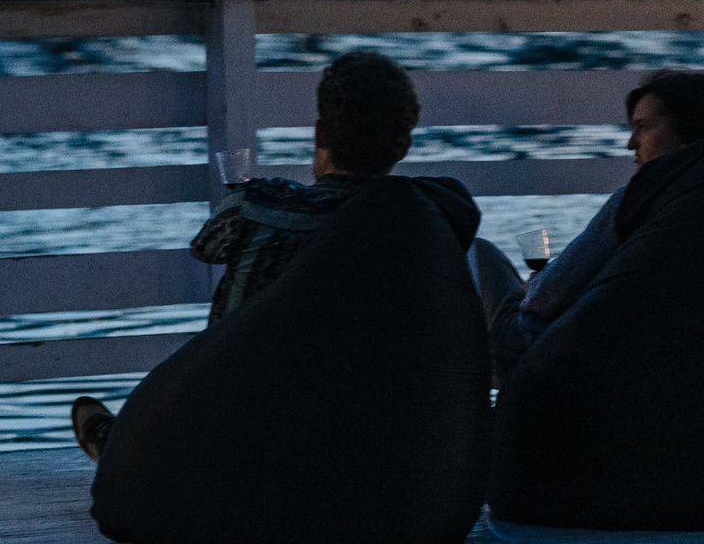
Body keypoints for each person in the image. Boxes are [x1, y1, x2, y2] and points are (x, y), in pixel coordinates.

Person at [70, 49, 478, 459]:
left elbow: (205, 248)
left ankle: (124, 444)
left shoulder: (255, 203)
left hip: (243, 433)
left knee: (186, 381)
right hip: (362, 436)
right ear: (404, 145)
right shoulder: (426, 217)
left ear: (320, 134)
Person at [476, 70, 704, 380]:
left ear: (686, 129)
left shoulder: (637, 201)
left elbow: (546, 297)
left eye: (643, 128)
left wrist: (533, 285)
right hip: (664, 362)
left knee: (478, 253)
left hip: (554, 357)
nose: (630, 144)